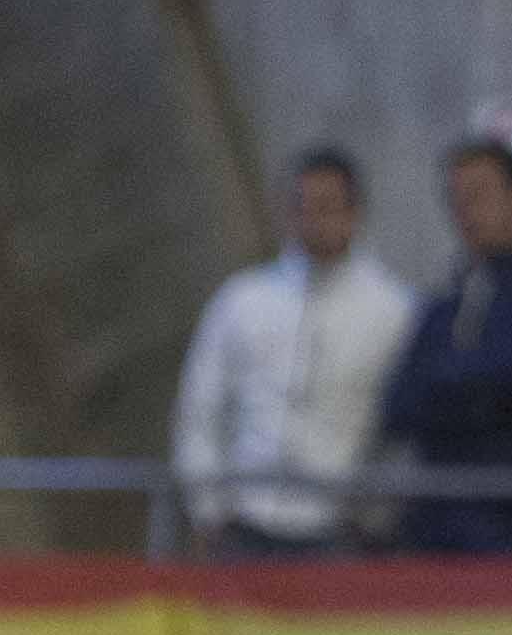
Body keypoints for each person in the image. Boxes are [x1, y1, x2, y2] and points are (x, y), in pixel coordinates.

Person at [169, 146, 416, 554]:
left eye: (326, 206)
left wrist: (374, 517)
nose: (312, 220)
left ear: (354, 213)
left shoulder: (395, 311)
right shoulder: (242, 299)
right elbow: (200, 408)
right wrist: (207, 509)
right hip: (244, 519)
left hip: (338, 526)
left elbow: (400, 428)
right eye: (301, 206)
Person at [375, 135, 512, 555]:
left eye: (479, 194)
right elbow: (399, 403)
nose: (466, 212)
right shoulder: (448, 300)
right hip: (432, 529)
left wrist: (448, 390)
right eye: (456, 199)